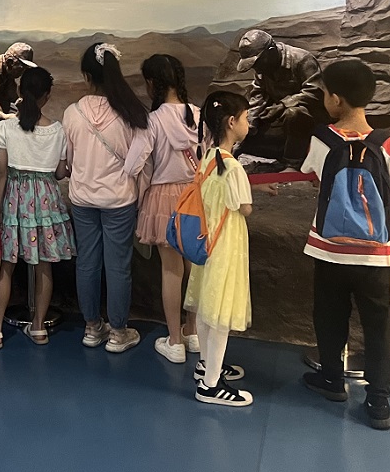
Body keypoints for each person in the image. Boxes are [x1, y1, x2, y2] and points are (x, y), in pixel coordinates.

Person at [300, 59, 390, 431]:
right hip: (378, 255)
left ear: (336, 99)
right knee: (378, 324)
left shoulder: (322, 139)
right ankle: (378, 400)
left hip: (329, 249)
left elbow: (313, 176)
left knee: (329, 315)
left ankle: (332, 379)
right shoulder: (385, 142)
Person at [0, 67, 73, 349]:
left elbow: (1, 172)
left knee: (7, 266)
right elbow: (60, 172)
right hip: (47, 200)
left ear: (19, 91)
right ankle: (38, 328)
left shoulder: (6, 128)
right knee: (44, 266)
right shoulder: (57, 130)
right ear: (47, 96)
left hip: (15, 199)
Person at [62, 43, 149, 352]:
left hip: (83, 199)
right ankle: (118, 332)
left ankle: (91, 327)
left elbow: (69, 160)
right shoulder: (132, 113)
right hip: (119, 200)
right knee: (118, 267)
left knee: (86, 262)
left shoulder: (72, 113)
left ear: (87, 76)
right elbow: (139, 162)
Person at [126, 54, 203, 363]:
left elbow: (134, 166)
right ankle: (192, 332)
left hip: (163, 198)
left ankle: (174, 341)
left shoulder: (152, 120)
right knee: (194, 267)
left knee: (171, 270)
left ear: (151, 83)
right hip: (195, 196)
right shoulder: (199, 115)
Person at [184, 92, 255, 407]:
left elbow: (219, 189)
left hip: (207, 241)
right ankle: (210, 386)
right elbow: (244, 207)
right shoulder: (233, 166)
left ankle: (206, 364)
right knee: (221, 314)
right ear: (232, 122)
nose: (248, 123)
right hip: (226, 245)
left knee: (206, 306)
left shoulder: (210, 157)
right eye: (246, 118)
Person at [234, 29, 328, 170]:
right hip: (281, 119)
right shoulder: (262, 69)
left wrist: (283, 105)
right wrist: (249, 125)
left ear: (271, 51)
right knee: (253, 129)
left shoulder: (302, 59)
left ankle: (292, 163)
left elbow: (316, 91)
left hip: (310, 118)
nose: (257, 69)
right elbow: (257, 97)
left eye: (258, 63)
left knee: (294, 114)